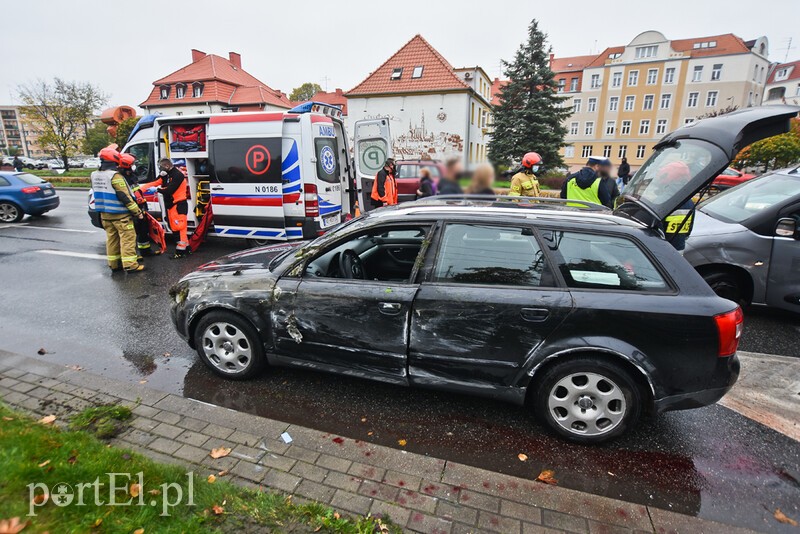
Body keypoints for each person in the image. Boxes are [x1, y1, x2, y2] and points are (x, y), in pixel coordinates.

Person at [91, 146, 144, 273]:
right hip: (120, 215)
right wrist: (137, 212)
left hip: (104, 214)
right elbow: (124, 196)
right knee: (127, 239)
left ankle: (114, 264)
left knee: (112, 240)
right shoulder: (115, 176)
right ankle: (131, 265)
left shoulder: (94, 175)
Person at [143, 158, 189, 258]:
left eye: (161, 167)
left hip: (178, 204)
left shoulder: (178, 175)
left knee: (180, 228)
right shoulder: (166, 175)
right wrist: (140, 190)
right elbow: (155, 182)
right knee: (175, 227)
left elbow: (169, 190)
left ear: (167, 166)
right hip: (172, 205)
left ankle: (180, 252)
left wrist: (157, 189)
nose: (160, 169)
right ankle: (186, 249)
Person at [118, 154, 158, 256]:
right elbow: (127, 196)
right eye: (132, 164)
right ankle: (133, 256)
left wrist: (143, 206)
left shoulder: (132, 175)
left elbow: (137, 192)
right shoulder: (122, 178)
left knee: (143, 229)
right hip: (131, 209)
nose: (134, 165)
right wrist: (135, 210)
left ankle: (145, 251)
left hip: (140, 206)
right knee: (132, 234)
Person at [657, 161, 695, 253]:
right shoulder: (689, 202)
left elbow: (655, 233)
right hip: (679, 250)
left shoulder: (662, 201)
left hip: (661, 250)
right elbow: (688, 230)